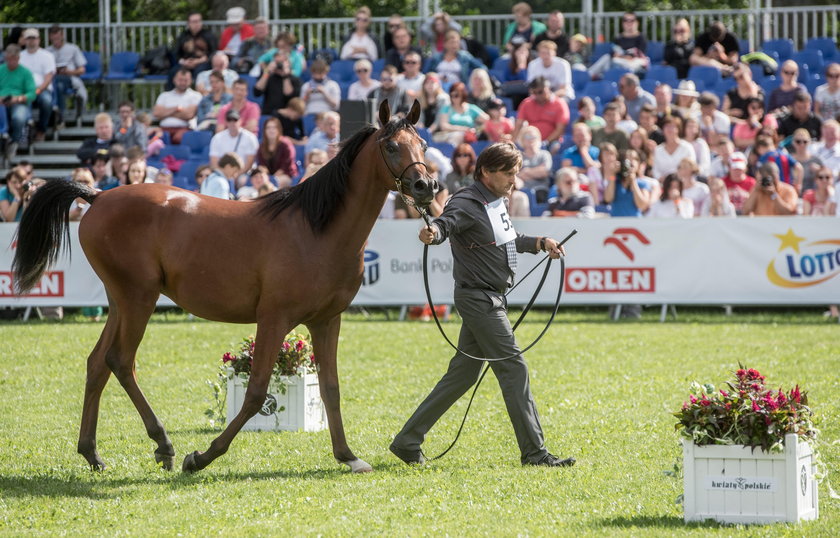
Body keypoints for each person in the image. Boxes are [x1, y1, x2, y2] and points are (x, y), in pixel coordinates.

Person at [389, 141, 573, 468]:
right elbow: (446, 224)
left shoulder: (494, 201)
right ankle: (535, 453)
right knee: (514, 368)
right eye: (509, 174)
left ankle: (407, 441)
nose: (514, 181)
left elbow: (509, 239)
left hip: (487, 297)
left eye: (516, 173)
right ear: (486, 172)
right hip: (480, 300)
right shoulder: (467, 200)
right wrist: (434, 233)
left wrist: (541, 243)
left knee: (461, 375)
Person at [18, 28, 55, 141]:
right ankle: (27, 127)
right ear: (25, 40)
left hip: (42, 90)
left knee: (47, 102)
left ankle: (41, 130)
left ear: (39, 40)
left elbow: (48, 78)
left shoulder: (47, 55)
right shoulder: (19, 56)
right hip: (25, 90)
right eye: (29, 38)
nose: (31, 41)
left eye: (33, 38)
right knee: (23, 103)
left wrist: (37, 90)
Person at [1, 44, 37, 161]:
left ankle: (14, 141)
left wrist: (18, 99)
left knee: (19, 117)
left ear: (18, 58)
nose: (10, 62)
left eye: (13, 59)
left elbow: (32, 93)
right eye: (8, 59)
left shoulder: (25, 72)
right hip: (1, 102)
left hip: (19, 102)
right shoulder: (1, 70)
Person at [46, 24, 87, 127]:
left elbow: (82, 69)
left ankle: (59, 114)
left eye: (58, 37)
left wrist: (68, 72)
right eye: (53, 37)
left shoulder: (73, 48)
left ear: (62, 36)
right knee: (58, 85)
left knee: (59, 83)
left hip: (70, 78)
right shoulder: (46, 52)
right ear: (50, 37)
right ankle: (59, 115)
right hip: (53, 79)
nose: (56, 39)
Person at [511, 76, 569, 147]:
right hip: (530, 141)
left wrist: (545, 142)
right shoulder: (527, 103)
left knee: (555, 147)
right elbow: (518, 124)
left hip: (551, 142)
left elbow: (560, 129)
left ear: (548, 88)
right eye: (534, 92)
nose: (537, 95)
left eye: (540, 92)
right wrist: (512, 142)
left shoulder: (559, 104)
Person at [589, 12, 649, 78]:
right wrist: (619, 56)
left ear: (637, 23)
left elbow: (640, 53)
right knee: (607, 58)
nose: (629, 23)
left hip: (634, 63)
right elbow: (612, 53)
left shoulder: (641, 37)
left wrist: (626, 57)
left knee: (634, 63)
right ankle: (588, 74)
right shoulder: (618, 38)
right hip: (620, 61)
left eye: (632, 20)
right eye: (626, 20)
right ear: (623, 23)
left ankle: (604, 76)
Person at [153, 68, 202, 144]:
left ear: (191, 81)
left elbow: (189, 115)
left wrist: (165, 112)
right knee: (154, 138)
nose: (182, 83)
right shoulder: (164, 95)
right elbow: (156, 113)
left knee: (178, 138)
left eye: (185, 80)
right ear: (174, 80)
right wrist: (175, 109)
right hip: (164, 129)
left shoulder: (196, 96)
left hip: (185, 129)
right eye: (180, 80)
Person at [169, 12, 217, 88]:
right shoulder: (183, 36)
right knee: (174, 72)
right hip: (186, 63)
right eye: (194, 22)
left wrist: (199, 61)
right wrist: (184, 62)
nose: (197, 24)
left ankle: (199, 95)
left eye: (199, 21)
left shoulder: (209, 35)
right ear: (188, 23)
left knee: (200, 73)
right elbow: (176, 52)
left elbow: (213, 52)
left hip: (203, 63)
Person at [604, 149, 653, 217]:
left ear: (638, 164)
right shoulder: (616, 181)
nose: (631, 161)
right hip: (615, 223)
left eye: (635, 159)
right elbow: (608, 198)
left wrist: (633, 181)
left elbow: (642, 205)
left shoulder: (642, 183)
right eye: (627, 158)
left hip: (634, 224)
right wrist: (612, 174)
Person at [254, 51, 301, 118]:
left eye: (282, 62)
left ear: (288, 63)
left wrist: (285, 76)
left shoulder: (294, 79)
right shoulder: (267, 76)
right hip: (268, 114)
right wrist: (267, 72)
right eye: (277, 62)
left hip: (286, 116)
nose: (279, 65)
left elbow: (289, 95)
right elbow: (257, 92)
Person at [209, 109, 258, 174]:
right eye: (229, 120)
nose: (232, 123)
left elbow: (249, 164)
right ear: (226, 122)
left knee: (242, 180)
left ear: (240, 120)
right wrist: (225, 176)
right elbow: (214, 163)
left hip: (244, 173)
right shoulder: (217, 138)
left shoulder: (250, 137)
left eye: (235, 120)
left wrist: (236, 175)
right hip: (223, 173)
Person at [652, 116, 696, 180]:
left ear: (678, 129)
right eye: (667, 126)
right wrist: (663, 179)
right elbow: (655, 170)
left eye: (672, 126)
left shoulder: (687, 147)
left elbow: (691, 167)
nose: (669, 129)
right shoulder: (658, 150)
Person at [256, 117, 297, 185]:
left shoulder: (286, 144)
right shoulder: (262, 146)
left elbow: (286, 166)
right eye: (268, 128)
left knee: (276, 182)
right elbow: (261, 165)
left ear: (279, 129)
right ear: (264, 130)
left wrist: (272, 179)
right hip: (269, 177)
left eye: (274, 127)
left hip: (286, 176)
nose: (271, 130)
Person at [518, 125, 553, 191]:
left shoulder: (545, 154)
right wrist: (535, 172)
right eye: (527, 137)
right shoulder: (518, 156)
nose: (531, 139)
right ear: (522, 139)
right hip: (522, 189)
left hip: (540, 189)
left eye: (534, 137)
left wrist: (525, 171)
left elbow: (544, 172)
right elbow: (516, 176)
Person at [789, 128, 823, 193]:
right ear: (793, 142)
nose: (802, 144)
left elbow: (826, 178)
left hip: (811, 196)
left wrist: (819, 171)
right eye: (798, 141)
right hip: (792, 195)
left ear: (809, 142)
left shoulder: (816, 160)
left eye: (805, 141)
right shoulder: (788, 159)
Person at [587, 142, 620, 208]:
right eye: (606, 154)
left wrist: (612, 174)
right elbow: (594, 194)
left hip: (615, 205)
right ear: (601, 157)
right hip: (599, 205)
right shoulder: (593, 171)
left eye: (611, 154)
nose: (609, 157)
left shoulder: (619, 171)